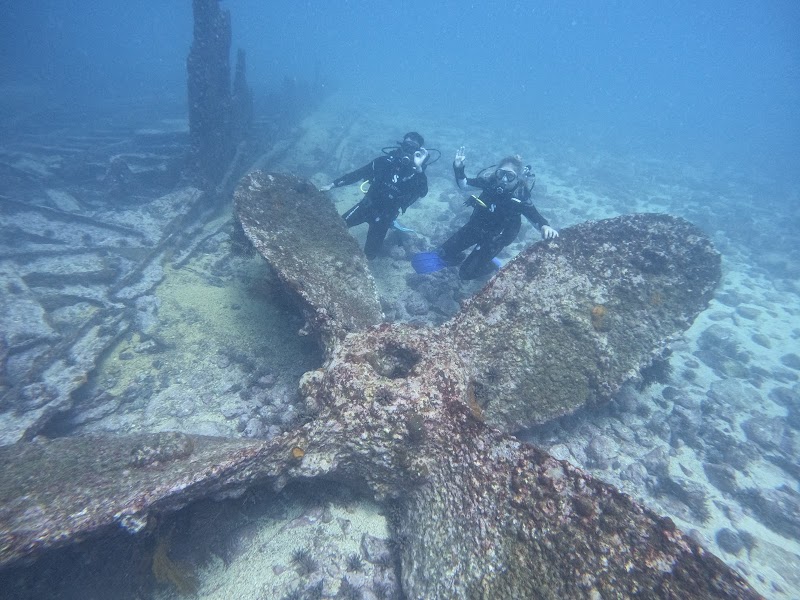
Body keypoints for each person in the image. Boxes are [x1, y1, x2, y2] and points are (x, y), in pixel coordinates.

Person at [436, 147, 558, 280]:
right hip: (475, 227)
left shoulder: (520, 194)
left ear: (517, 178)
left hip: (496, 238)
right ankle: (465, 259)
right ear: (496, 172)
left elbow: (534, 215)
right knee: (443, 254)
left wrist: (544, 226)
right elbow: (464, 185)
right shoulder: (490, 182)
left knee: (465, 274)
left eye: (510, 176)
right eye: (501, 174)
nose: (504, 180)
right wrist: (458, 167)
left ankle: (490, 266)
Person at [319, 132, 430, 259]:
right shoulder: (383, 162)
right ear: (401, 146)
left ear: (419, 152)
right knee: (335, 227)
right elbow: (357, 174)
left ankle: (392, 228)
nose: (409, 150)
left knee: (370, 255)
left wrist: (419, 169)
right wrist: (332, 185)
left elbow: (423, 192)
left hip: (386, 216)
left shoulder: (416, 174)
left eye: (413, 147)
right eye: (407, 145)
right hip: (366, 206)